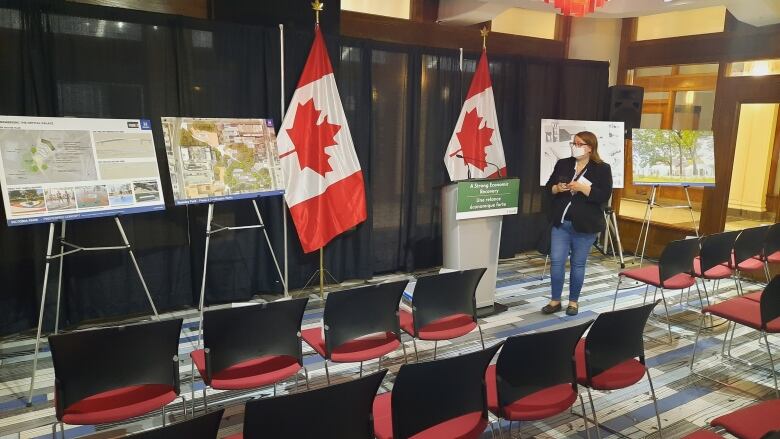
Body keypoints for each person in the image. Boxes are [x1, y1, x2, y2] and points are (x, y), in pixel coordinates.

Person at [542, 131, 613, 316]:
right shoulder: (563, 163)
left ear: (589, 148)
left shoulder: (602, 168)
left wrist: (584, 188)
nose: (574, 146)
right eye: (573, 143)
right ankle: (555, 300)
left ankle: (573, 302)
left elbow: (604, 195)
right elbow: (548, 187)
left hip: (585, 226)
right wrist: (557, 188)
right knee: (556, 262)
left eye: (579, 143)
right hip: (561, 224)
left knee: (578, 264)